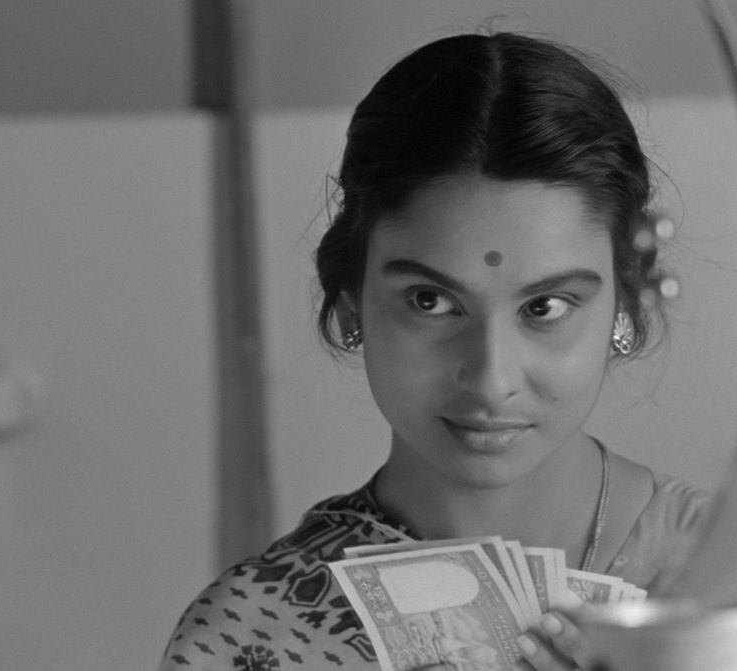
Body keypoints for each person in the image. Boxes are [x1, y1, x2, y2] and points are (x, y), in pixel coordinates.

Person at [159, 31, 708, 671]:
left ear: (626, 306)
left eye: (546, 307)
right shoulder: (256, 632)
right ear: (350, 302)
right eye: (430, 302)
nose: (490, 379)